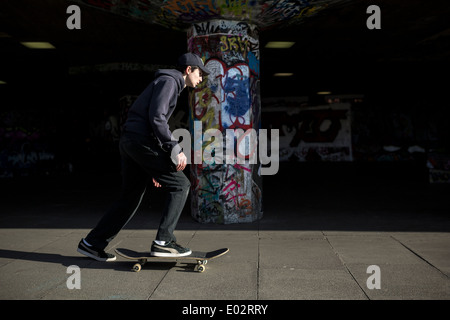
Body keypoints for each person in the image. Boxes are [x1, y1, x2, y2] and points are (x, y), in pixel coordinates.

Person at [77, 53, 210, 261]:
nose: (201, 79)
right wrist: (174, 148)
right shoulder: (170, 81)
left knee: (129, 198)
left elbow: (152, 119)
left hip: (132, 141)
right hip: (140, 141)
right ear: (188, 70)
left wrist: (153, 166)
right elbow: (157, 117)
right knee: (181, 185)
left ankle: (92, 243)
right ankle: (164, 242)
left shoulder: (167, 81)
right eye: (199, 73)